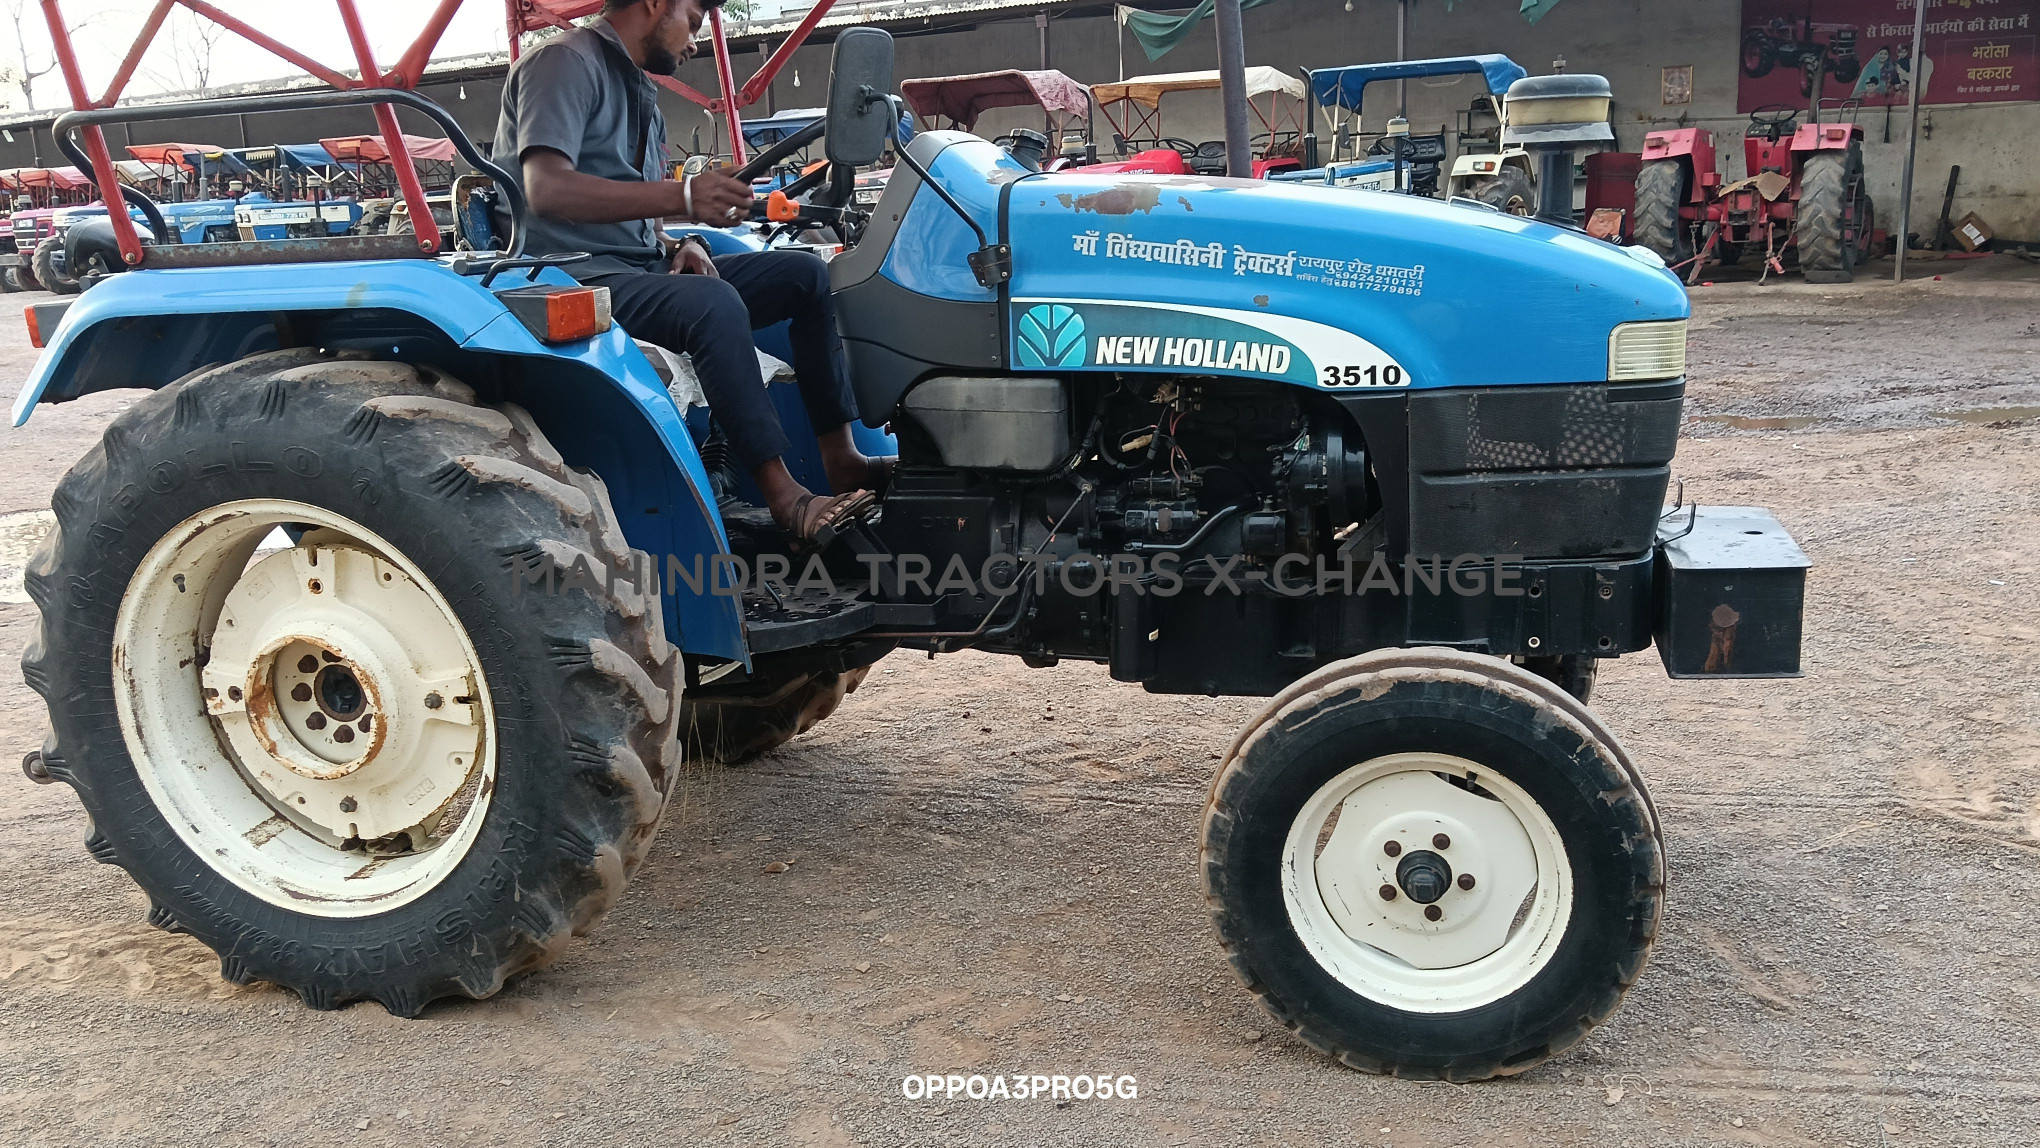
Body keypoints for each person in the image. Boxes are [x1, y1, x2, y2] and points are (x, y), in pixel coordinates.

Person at [494, 0, 891, 546]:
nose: (696, 41)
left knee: (805, 275)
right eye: (696, 20)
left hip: (635, 267)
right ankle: (785, 497)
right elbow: (546, 190)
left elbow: (634, 209)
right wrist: (683, 195)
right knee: (715, 303)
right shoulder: (562, 62)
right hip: (570, 277)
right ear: (657, 4)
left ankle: (841, 459)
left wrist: (684, 241)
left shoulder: (640, 92)